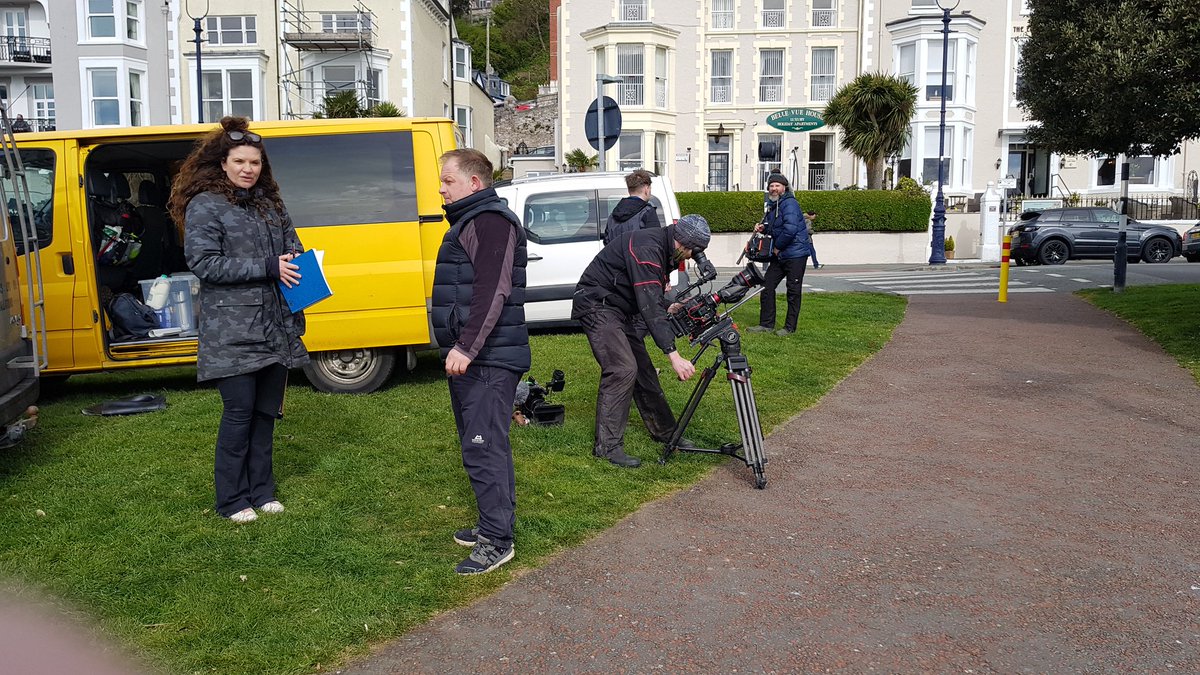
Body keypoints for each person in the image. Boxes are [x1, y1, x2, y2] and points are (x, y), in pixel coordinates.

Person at [170, 116, 308, 524]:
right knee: (239, 414)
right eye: (240, 161)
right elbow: (204, 264)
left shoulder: (271, 205)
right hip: (231, 332)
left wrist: (302, 268)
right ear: (223, 164)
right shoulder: (206, 205)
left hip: (275, 327)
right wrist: (268, 266)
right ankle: (232, 498)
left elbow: (292, 249)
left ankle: (262, 490)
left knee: (266, 414)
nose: (249, 169)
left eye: (255, 162)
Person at [431, 148, 530, 576]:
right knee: (487, 445)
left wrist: (467, 347)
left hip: (487, 359)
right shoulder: (472, 220)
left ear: (474, 182)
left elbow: (494, 290)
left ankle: (496, 542)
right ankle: (494, 524)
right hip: (478, 358)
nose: (440, 187)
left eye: (448, 180)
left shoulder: (490, 221)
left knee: (483, 449)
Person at [571, 214, 710, 468]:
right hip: (596, 304)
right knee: (622, 369)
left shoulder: (662, 247)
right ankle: (608, 447)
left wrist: (672, 304)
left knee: (643, 370)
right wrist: (673, 355)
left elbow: (652, 295)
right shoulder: (648, 248)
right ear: (682, 242)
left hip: (618, 307)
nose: (690, 256)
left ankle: (667, 433)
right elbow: (649, 305)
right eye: (690, 251)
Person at [748, 173, 812, 336]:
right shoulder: (774, 205)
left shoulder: (789, 204)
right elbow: (776, 227)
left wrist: (777, 248)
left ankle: (790, 328)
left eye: (777, 185)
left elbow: (790, 230)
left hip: (795, 254)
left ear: (784, 187)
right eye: (771, 186)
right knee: (767, 286)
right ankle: (766, 325)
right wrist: (764, 228)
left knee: (793, 291)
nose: (774, 188)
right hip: (782, 254)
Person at [604, 169, 661, 245]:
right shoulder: (648, 212)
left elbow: (606, 242)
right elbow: (656, 242)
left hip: (615, 256)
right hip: (639, 257)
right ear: (646, 189)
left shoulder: (612, 216)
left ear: (629, 190)